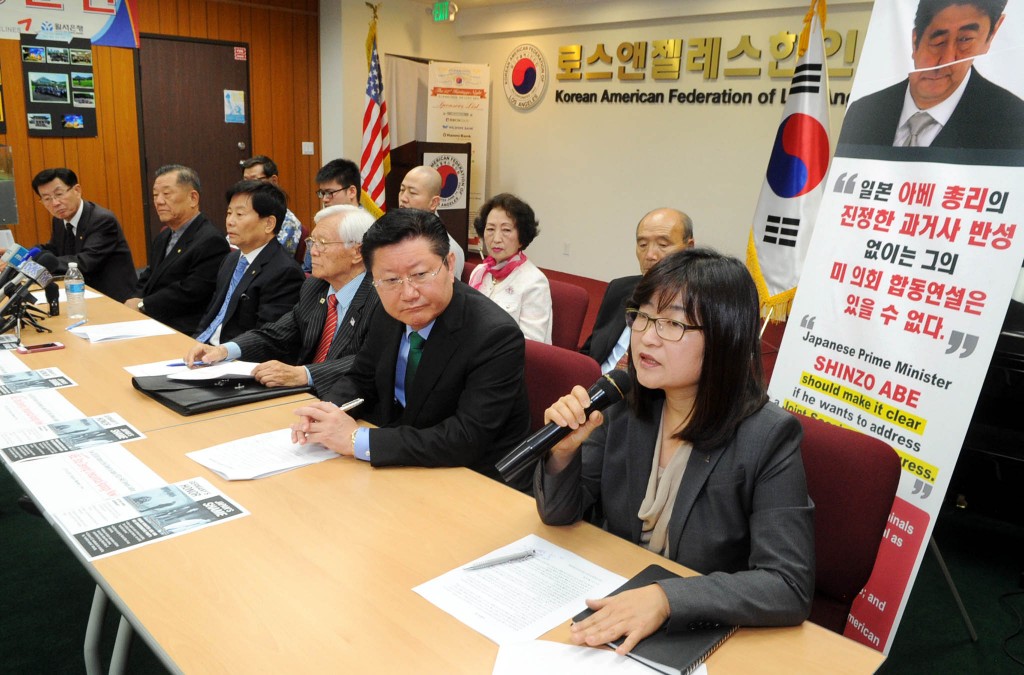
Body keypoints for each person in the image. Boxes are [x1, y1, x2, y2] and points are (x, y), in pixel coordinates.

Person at [536, 248, 813, 654]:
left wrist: (668, 599)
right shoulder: (626, 403)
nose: (647, 335)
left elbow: (787, 584)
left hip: (706, 634)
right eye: (643, 316)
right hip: (614, 600)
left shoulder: (768, 437)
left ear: (724, 337)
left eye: (671, 324)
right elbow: (561, 514)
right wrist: (562, 454)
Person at [289, 208, 531, 486]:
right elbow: (362, 377)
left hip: (472, 478)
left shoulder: (495, 335)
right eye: (390, 280)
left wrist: (356, 439)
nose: (408, 293)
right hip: (404, 461)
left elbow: (465, 438)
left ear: (450, 265)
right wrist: (326, 413)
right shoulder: (387, 310)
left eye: (420, 274)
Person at [185, 205, 379, 395]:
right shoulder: (315, 288)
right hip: (303, 396)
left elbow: (370, 360)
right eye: (312, 242)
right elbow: (276, 335)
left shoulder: (379, 296)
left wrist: (305, 374)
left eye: (323, 243)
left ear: (357, 253)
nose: (313, 251)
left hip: (352, 403)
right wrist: (223, 351)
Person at [840, 0, 1024, 149]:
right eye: (938, 41)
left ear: (989, 38)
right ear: (914, 42)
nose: (946, 60)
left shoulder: (1012, 122)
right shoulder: (863, 112)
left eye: (965, 40)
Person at [581, 208, 694, 372]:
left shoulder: (695, 306)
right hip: (596, 385)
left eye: (663, 245)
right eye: (642, 245)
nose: (650, 255)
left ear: (689, 248)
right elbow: (590, 352)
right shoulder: (619, 288)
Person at [193, 180, 304, 345]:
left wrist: (221, 353)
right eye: (229, 213)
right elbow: (212, 314)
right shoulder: (231, 260)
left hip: (235, 359)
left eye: (239, 214)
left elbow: (267, 338)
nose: (230, 221)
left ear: (269, 224)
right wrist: (194, 342)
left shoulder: (284, 272)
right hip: (204, 349)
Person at [126, 165, 229, 335]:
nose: (158, 201)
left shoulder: (211, 240)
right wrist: (132, 301)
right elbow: (148, 276)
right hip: (153, 319)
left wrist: (142, 305)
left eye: (166, 194)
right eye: (155, 195)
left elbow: (190, 292)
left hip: (182, 328)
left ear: (193, 198)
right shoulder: (164, 236)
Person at [21, 167, 137, 302]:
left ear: (77, 190)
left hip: (112, 298)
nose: (55, 203)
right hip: (79, 294)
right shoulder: (59, 220)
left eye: (59, 194)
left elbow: (84, 263)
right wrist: (22, 255)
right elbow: (54, 249)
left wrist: (34, 264)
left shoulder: (102, 220)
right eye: (47, 198)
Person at [467, 193, 552, 343]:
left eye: (506, 230)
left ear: (521, 237)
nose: (496, 239)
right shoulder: (480, 272)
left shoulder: (534, 282)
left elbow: (532, 344)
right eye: (490, 229)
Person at [397, 165, 465, 275]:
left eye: (412, 193)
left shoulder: (448, 249)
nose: (403, 198)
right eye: (402, 190)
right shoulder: (396, 235)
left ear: (434, 203)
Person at [241, 155, 304, 257]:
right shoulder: (243, 214)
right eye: (245, 181)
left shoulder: (288, 222)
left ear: (274, 181)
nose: (248, 187)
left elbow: (273, 261)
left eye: (254, 180)